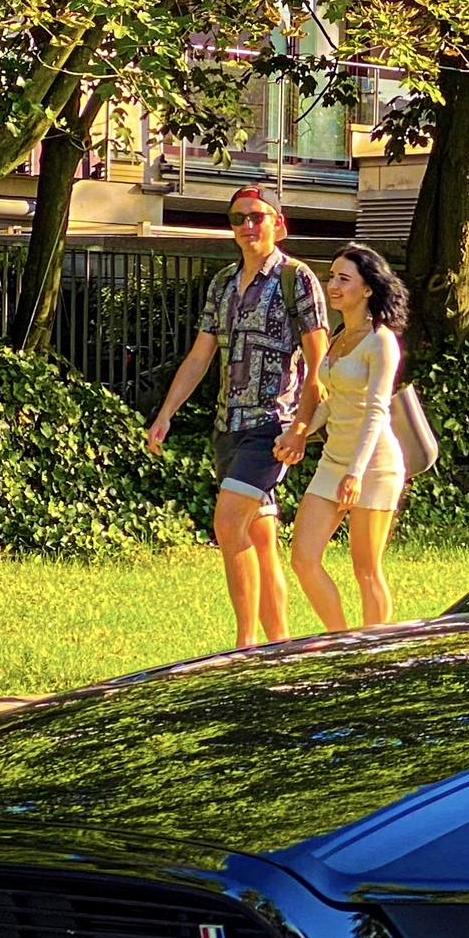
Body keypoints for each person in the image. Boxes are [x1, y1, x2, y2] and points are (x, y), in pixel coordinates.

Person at [145, 187, 329, 648]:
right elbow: (200, 355)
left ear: (278, 224)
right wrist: (166, 413)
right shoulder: (223, 283)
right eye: (237, 219)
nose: (247, 226)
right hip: (228, 428)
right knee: (261, 543)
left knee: (228, 524)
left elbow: (318, 365)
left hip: (272, 428)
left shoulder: (297, 278)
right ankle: (279, 649)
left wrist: (301, 427)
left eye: (256, 217)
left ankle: (244, 647)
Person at [278, 244, 410, 631]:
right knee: (302, 556)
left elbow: (375, 410)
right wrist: (299, 432)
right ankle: (342, 641)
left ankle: (375, 652)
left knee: (366, 569)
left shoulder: (381, 341)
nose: (332, 285)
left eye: (343, 279)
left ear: (368, 288)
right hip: (334, 461)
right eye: (331, 277)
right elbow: (331, 399)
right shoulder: (338, 338)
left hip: (374, 466)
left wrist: (356, 472)